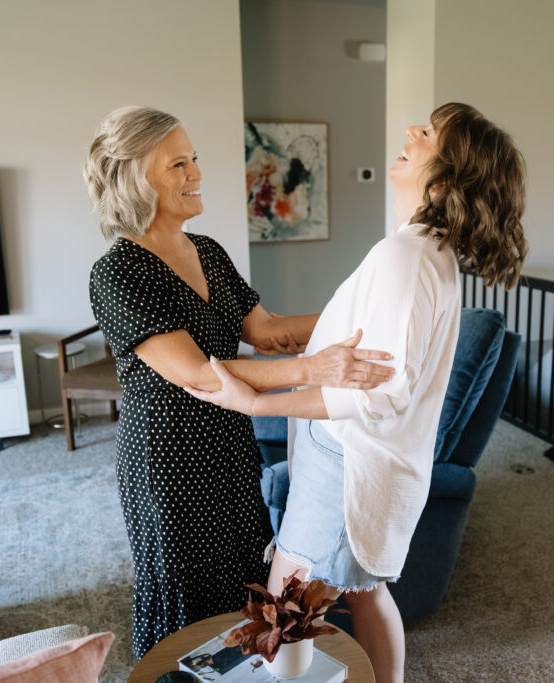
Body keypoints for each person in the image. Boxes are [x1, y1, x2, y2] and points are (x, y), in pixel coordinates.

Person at [186, 102, 528, 683]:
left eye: (430, 133)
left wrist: (257, 403)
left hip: (346, 461)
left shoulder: (408, 256)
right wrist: (292, 344)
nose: (411, 132)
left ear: (443, 180)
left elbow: (377, 395)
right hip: (357, 457)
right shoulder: (422, 252)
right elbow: (367, 357)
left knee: (284, 607)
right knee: (367, 596)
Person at [82, 105, 396, 660]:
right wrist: (312, 369)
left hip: (229, 443)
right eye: (179, 164)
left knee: (242, 585)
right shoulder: (117, 272)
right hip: (168, 459)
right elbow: (198, 373)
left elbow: (268, 331)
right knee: (186, 592)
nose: (197, 173)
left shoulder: (208, 251)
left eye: (194, 159)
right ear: (136, 179)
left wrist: (358, 316)